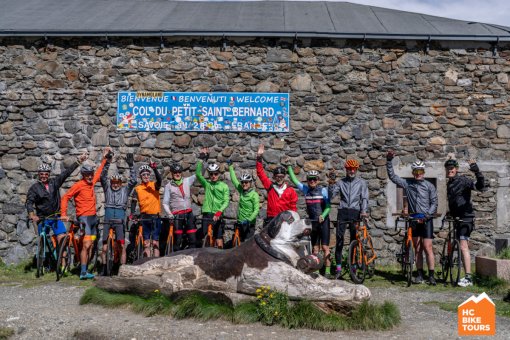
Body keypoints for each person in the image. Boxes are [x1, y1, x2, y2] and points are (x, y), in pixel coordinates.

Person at [387, 150, 438, 285]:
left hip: (426, 219)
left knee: (428, 247)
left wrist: (427, 215)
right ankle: (420, 274)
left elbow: (434, 202)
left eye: (420, 171)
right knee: (417, 248)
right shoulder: (407, 185)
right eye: (415, 171)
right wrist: (389, 161)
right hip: (414, 219)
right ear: (412, 173)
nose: (417, 174)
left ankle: (431, 275)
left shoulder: (429, 186)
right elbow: (393, 177)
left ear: (423, 172)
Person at [61, 148, 109, 280]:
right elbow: (65, 197)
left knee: (91, 244)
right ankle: (82, 272)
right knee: (86, 245)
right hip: (84, 219)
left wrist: (104, 159)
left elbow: (99, 173)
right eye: (87, 174)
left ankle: (85, 269)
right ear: (83, 174)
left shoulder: (92, 182)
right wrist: (63, 213)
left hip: (93, 219)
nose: (90, 176)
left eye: (91, 174)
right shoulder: (78, 185)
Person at [26, 153, 88, 246]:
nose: (44, 176)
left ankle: (62, 260)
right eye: (41, 174)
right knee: (43, 242)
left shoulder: (54, 182)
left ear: (49, 174)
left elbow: (66, 173)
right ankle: (43, 259)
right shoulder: (34, 188)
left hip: (56, 217)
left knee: (62, 239)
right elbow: (29, 202)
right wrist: (32, 214)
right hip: (42, 218)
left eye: (46, 174)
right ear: (38, 174)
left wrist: (78, 161)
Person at [445, 158, 485, 287]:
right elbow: (453, 201)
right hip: (456, 218)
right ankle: (451, 266)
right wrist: (449, 212)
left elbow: (480, 186)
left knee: (463, 246)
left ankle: (468, 278)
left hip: (466, 217)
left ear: (456, 169)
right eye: (447, 168)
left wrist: (477, 171)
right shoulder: (449, 183)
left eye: (452, 168)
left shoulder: (463, 180)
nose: (449, 170)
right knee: (457, 244)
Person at [328, 159, 369, 279]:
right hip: (343, 211)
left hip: (355, 212)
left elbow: (364, 198)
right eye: (349, 169)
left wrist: (364, 211)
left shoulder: (361, 183)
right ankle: (339, 269)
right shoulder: (341, 182)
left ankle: (353, 267)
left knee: (353, 240)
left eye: (353, 169)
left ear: (356, 169)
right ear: (346, 170)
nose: (351, 171)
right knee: (339, 240)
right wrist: (331, 183)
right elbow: (331, 196)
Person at [288, 167, 332, 277]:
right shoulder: (305, 189)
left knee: (325, 248)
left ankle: (327, 271)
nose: (312, 181)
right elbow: (294, 179)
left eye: (314, 179)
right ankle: (316, 270)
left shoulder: (323, 190)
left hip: (323, 222)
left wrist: (323, 215)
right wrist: (289, 166)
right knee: (315, 249)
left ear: (318, 180)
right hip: (313, 223)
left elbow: (328, 206)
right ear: (307, 180)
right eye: (310, 179)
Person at [100, 152, 136, 269]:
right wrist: (107, 162)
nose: (115, 185)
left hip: (120, 219)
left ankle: (122, 268)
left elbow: (134, 180)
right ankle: (104, 269)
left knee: (121, 246)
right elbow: (102, 177)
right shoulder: (107, 189)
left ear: (121, 183)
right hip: (107, 219)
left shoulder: (125, 190)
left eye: (117, 183)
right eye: (113, 183)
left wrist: (131, 165)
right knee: (104, 247)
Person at [196, 148, 230, 248]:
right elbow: (198, 174)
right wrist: (201, 160)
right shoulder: (207, 184)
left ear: (219, 174)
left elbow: (226, 201)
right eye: (211, 174)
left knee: (219, 239)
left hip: (218, 214)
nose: (213, 176)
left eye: (215, 173)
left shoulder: (224, 186)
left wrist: (219, 211)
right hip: (207, 213)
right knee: (206, 238)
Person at [256, 144, 298, 226]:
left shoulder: (290, 190)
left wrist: (293, 220)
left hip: (285, 220)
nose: (279, 178)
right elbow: (260, 172)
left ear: (284, 177)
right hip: (271, 219)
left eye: (281, 176)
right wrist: (259, 157)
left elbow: (293, 208)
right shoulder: (270, 186)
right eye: (277, 177)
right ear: (274, 177)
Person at [131, 159, 162, 257]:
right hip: (144, 217)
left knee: (156, 243)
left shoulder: (154, 185)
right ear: (141, 176)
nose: (146, 176)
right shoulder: (137, 189)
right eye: (144, 175)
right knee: (146, 243)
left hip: (155, 216)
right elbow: (133, 202)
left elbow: (160, 180)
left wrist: (154, 168)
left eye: (148, 174)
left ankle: (157, 264)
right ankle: (146, 263)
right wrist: (132, 214)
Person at [162, 163, 198, 251]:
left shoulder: (187, 181)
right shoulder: (168, 186)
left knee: (192, 238)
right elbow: (165, 203)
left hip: (189, 213)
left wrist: (202, 160)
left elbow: (198, 175)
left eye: (179, 172)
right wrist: (169, 214)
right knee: (178, 240)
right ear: (171, 173)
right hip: (177, 215)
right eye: (175, 172)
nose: (177, 174)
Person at [228, 160, 260, 242]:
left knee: (246, 244)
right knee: (236, 242)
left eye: (246, 182)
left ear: (250, 183)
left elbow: (256, 210)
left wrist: (249, 220)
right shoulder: (241, 190)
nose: (244, 184)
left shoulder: (254, 195)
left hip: (249, 224)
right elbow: (234, 180)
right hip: (239, 222)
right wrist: (230, 167)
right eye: (242, 182)